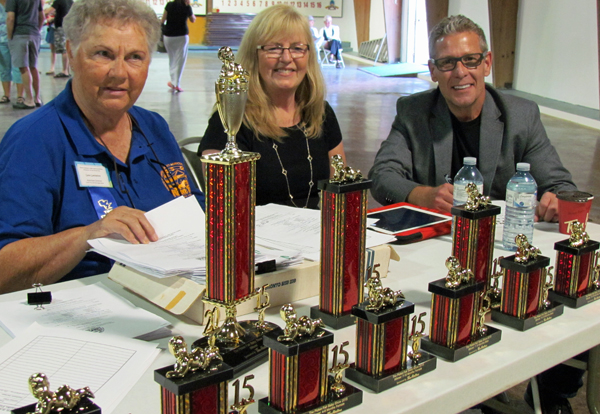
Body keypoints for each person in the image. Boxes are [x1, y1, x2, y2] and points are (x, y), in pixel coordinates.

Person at [0, 0, 205, 294]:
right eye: (103, 54)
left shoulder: (153, 128)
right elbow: (4, 270)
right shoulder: (34, 140)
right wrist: (88, 236)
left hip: (175, 297)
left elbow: (196, 211)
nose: (119, 73)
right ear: (71, 53)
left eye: (135, 57)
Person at [369, 14, 576, 223]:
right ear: (433, 71)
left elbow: (561, 186)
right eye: (447, 63)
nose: (460, 72)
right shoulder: (413, 112)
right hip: (435, 236)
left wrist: (557, 200)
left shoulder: (521, 116)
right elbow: (381, 176)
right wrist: (425, 196)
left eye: (470, 60)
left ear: (486, 64)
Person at [198, 4, 345, 209]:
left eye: (297, 48)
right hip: (256, 236)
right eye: (274, 48)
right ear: (253, 56)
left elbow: (339, 189)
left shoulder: (321, 112)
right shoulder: (231, 118)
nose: (286, 58)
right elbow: (224, 207)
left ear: (309, 56)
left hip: (318, 233)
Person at [5, 0, 43, 109]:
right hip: (34, 34)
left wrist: (9, 37)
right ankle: (37, 98)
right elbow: (42, 16)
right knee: (33, 67)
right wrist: (37, 31)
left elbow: (10, 18)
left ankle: (29, 99)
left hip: (19, 34)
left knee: (23, 67)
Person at [161, 0, 195, 92]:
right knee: (180, 59)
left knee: (172, 58)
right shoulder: (187, 7)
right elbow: (193, 20)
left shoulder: (169, 5)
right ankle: (176, 83)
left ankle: (173, 82)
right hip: (181, 36)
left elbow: (163, 20)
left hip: (168, 36)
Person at [0, 0, 23, 103]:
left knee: (18, 68)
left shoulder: (14, 3)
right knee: (4, 68)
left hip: (15, 38)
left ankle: (20, 95)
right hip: (1, 40)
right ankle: (6, 94)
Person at [46, 0, 73, 78]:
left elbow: (48, 11)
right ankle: (66, 70)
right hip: (67, 26)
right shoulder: (70, 1)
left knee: (63, 49)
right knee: (65, 48)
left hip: (61, 27)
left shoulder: (59, 1)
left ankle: (65, 71)